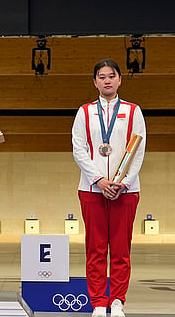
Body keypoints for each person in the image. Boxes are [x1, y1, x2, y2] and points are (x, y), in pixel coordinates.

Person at [71, 59, 146, 317]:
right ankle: (99, 303)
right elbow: (79, 150)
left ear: (119, 79)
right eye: (101, 77)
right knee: (96, 249)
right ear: (94, 82)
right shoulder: (85, 112)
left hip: (125, 190)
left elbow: (138, 151)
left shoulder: (133, 111)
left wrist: (123, 182)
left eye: (111, 76)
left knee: (121, 250)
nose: (107, 80)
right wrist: (99, 180)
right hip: (92, 189)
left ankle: (117, 301)